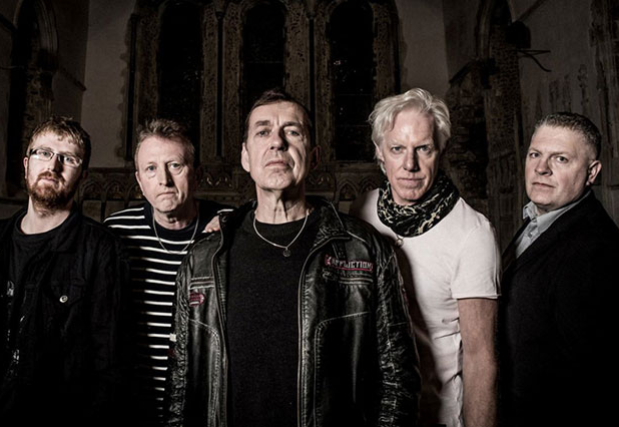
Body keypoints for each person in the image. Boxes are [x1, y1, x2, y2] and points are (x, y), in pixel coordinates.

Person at [167, 89, 420, 427]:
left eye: (292, 131)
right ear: (245, 157)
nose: (277, 142)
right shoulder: (202, 259)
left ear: (313, 156)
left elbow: (398, 380)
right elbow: (180, 386)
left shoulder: (364, 249)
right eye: (263, 132)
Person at [351, 88, 500, 427]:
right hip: (371, 412)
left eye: (423, 149)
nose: (410, 165)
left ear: (440, 150)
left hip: (435, 414)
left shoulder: (472, 232)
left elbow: (481, 359)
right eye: (397, 149)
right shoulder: (361, 210)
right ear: (379, 152)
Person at [0, 116, 127, 426]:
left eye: (68, 158)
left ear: (83, 174)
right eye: (43, 153)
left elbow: (108, 362)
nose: (53, 165)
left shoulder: (101, 249)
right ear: (26, 164)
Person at [104, 119, 229, 425]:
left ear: (197, 174)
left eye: (175, 165)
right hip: (133, 403)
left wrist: (237, 222)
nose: (164, 180)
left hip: (202, 403)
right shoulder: (116, 233)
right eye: (151, 169)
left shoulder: (228, 229)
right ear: (139, 180)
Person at [499, 112, 619, 427]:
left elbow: (595, 377)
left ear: (592, 173)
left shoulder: (596, 251)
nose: (541, 168)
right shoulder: (538, 221)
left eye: (561, 159)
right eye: (535, 154)